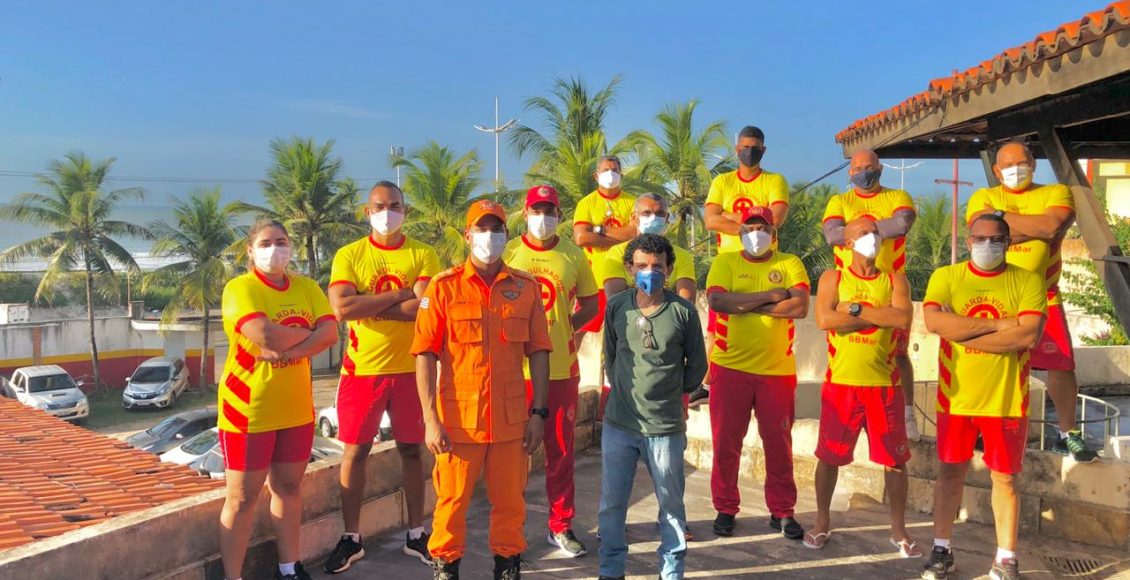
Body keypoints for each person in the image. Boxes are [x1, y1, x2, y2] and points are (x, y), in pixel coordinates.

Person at [412, 199, 553, 580]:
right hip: (458, 423)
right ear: (467, 235)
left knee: (511, 504)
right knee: (451, 503)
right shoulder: (443, 288)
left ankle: (507, 566)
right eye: (482, 229)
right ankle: (446, 567)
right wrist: (430, 419)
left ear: (507, 234)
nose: (490, 236)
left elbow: (539, 352)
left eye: (497, 229)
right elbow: (424, 355)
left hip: (511, 422)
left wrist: (539, 413)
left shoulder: (525, 287)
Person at [920, 214, 1046, 580]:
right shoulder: (947, 277)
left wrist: (961, 330)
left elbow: (1027, 336)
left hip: (1007, 401)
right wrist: (998, 326)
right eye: (979, 238)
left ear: (1008, 243)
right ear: (968, 240)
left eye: (995, 239)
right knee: (949, 472)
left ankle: (1006, 558)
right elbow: (934, 323)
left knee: (1005, 479)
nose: (986, 245)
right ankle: (941, 548)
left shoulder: (1027, 280)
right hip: (955, 398)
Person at [323, 182, 440, 573]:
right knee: (355, 453)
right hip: (362, 371)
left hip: (411, 369)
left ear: (405, 210)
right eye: (379, 206)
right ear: (367, 211)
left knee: (412, 451)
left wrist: (367, 304)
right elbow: (341, 308)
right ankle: (351, 538)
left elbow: (423, 310)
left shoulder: (422, 253)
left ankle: (416, 533)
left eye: (394, 205)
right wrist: (398, 294)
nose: (387, 212)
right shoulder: (350, 254)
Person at [217, 219, 338, 580]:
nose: (275, 249)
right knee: (242, 499)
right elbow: (263, 333)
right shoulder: (241, 288)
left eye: (281, 242)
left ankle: (289, 568)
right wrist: (308, 334)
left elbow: (330, 333)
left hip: (296, 409)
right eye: (266, 243)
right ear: (250, 251)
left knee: (289, 488)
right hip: (248, 410)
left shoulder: (306, 287)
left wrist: (288, 351)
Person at [965, 142, 1095, 462]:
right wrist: (1030, 228)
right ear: (996, 171)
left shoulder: (1056, 193)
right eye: (1008, 165)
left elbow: (1051, 227)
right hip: (996, 294)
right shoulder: (983, 196)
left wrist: (1001, 221)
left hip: (1043, 294)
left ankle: (1068, 434)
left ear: (1033, 164)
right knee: (991, 362)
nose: (1016, 169)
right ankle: (986, 427)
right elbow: (983, 233)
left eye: (1022, 162)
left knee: (1060, 363)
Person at [598, 234, 708, 580]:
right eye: (642, 265)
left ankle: (671, 571)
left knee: (671, 507)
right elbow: (611, 355)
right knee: (612, 506)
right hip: (619, 425)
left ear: (669, 269)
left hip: (665, 429)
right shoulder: (618, 307)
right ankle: (611, 569)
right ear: (629, 269)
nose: (650, 271)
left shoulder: (683, 312)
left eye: (657, 266)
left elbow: (697, 366)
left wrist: (670, 392)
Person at [807, 221, 919, 557]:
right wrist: (878, 315)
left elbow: (901, 319)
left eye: (876, 232)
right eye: (865, 233)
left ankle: (898, 529)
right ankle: (822, 520)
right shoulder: (834, 278)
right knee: (828, 457)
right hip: (842, 385)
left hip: (884, 386)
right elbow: (825, 320)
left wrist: (854, 309)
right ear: (849, 243)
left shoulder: (895, 281)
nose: (873, 238)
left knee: (895, 461)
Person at [501, 185, 599, 557]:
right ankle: (509, 530)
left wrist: (565, 327)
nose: (543, 217)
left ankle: (561, 525)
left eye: (550, 210)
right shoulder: (509, 252)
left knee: (560, 453)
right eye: (537, 210)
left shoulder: (573, 254)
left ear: (559, 215)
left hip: (560, 370)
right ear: (525, 213)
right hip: (515, 371)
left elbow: (591, 305)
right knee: (513, 457)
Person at [705, 206, 809, 540]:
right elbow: (718, 302)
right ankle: (725, 507)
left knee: (779, 444)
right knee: (726, 443)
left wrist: (744, 304)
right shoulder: (726, 262)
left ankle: (782, 511)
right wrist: (769, 297)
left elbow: (799, 307)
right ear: (739, 233)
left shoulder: (789, 263)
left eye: (762, 228)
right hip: (729, 367)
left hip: (776, 372)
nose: (756, 234)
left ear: (773, 234)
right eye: (749, 229)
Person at [822, 149, 920, 440]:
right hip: (848, 285)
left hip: (890, 286)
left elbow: (902, 223)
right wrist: (878, 228)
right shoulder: (840, 201)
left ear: (880, 169)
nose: (864, 172)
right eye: (858, 168)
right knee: (844, 348)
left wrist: (858, 229)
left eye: (870, 167)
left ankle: (908, 413)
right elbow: (832, 234)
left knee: (899, 352)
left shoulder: (897, 196)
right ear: (850, 172)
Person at [702, 125, 790, 407]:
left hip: (765, 264)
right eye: (745, 147)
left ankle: (764, 383)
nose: (749, 152)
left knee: (766, 323)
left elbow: (775, 220)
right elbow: (710, 220)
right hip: (728, 265)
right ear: (736, 149)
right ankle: (707, 383)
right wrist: (752, 224)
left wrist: (729, 215)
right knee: (716, 328)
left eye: (755, 148)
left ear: (763, 150)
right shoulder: (723, 181)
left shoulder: (774, 180)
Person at [572, 155, 638, 334]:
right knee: (579, 330)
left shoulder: (632, 202)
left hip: (624, 279)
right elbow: (581, 238)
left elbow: (636, 232)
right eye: (606, 170)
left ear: (621, 175)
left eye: (615, 170)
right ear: (596, 176)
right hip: (594, 280)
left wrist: (599, 230)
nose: (611, 173)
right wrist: (622, 236)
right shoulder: (586, 203)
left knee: (622, 331)